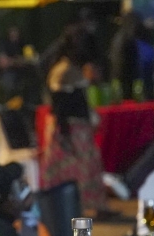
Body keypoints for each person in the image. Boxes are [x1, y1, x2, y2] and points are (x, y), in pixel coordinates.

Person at [39, 27, 105, 212]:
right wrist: (64, 133)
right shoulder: (64, 71)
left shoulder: (71, 68)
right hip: (69, 128)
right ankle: (73, 205)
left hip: (74, 127)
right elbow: (61, 105)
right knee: (74, 170)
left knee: (82, 168)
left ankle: (86, 205)